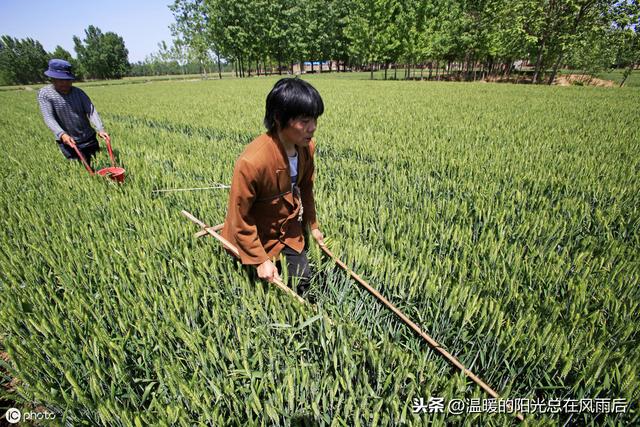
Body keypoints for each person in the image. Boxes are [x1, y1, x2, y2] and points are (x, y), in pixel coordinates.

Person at [221, 78, 325, 296]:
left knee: (302, 282)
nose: (312, 128)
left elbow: (306, 189)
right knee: (266, 286)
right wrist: (259, 259)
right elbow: (239, 216)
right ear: (279, 118)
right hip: (257, 231)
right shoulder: (252, 162)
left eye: (314, 119)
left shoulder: (306, 148)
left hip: (286, 228)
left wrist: (312, 226)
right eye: (305, 121)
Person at [37, 59, 110, 164]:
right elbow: (49, 117)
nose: (65, 83)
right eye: (61, 80)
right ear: (53, 79)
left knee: (98, 164)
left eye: (68, 80)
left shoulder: (79, 93)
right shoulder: (45, 94)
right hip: (68, 142)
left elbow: (91, 111)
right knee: (78, 168)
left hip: (88, 138)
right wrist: (62, 134)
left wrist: (100, 128)